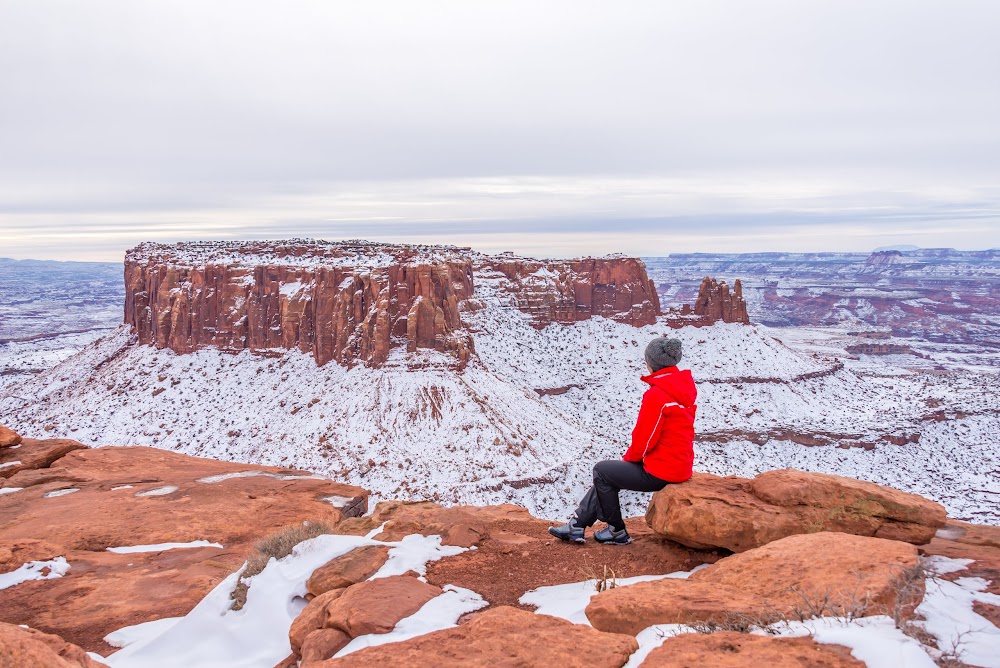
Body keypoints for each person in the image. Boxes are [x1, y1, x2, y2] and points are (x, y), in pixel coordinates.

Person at [549, 336, 697, 545]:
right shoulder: (682, 388)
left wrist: (630, 459)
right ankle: (576, 525)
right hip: (679, 466)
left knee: (602, 471)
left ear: (650, 363)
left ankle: (616, 531)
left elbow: (644, 439)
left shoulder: (657, 395)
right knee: (609, 474)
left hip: (662, 471)